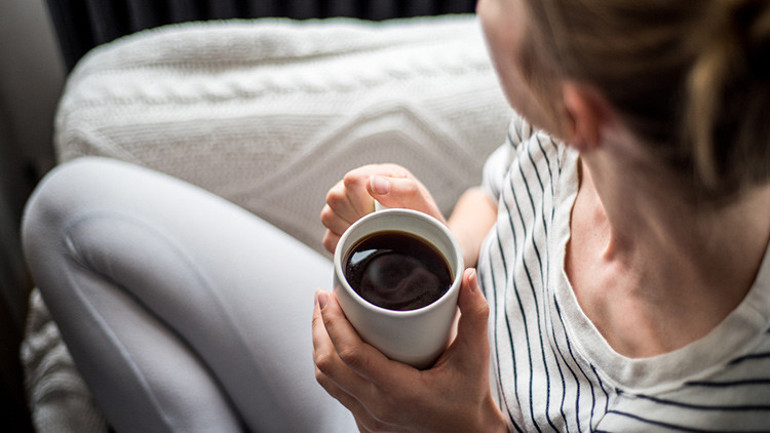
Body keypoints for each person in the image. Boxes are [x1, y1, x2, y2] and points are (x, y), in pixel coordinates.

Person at [21, 1, 770, 433]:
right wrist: (446, 242)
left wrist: (457, 427)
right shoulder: (600, 138)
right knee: (66, 213)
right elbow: (500, 196)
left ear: (581, 111)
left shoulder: (713, 406)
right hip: (407, 390)